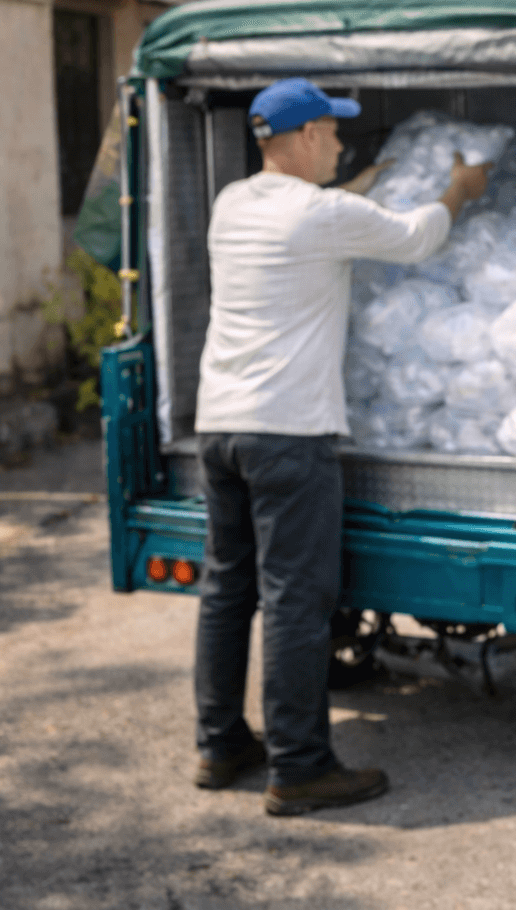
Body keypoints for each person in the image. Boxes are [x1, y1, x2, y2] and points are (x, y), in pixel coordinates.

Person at [192, 78, 488, 816]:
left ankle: (220, 742)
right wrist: (458, 187)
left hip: (220, 427)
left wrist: (358, 187)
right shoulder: (322, 215)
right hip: (288, 435)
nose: (338, 143)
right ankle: (299, 767)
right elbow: (418, 237)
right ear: (295, 140)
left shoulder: (235, 203)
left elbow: (320, 217)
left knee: (228, 589)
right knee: (298, 600)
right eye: (328, 132)